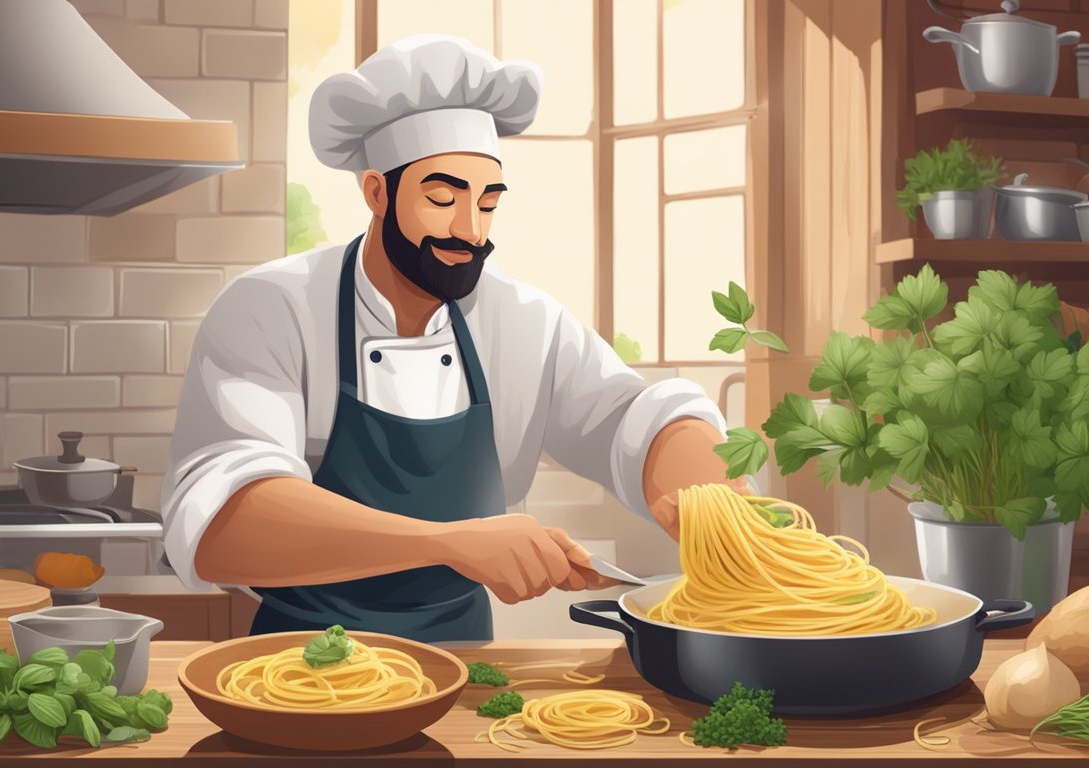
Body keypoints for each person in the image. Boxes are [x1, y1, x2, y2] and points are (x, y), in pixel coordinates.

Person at [161, 34, 746, 642]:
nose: (470, 230)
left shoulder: (522, 320)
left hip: (468, 665)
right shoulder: (272, 308)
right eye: (442, 198)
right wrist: (449, 541)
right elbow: (225, 525)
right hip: (298, 665)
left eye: (488, 202)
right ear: (376, 193)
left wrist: (706, 490)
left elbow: (631, 419)